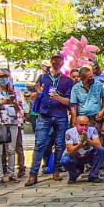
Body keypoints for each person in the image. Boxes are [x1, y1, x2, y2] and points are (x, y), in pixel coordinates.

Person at [27, 54, 74, 186]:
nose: (55, 61)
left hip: (60, 115)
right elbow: (33, 96)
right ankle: (33, 174)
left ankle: (57, 170)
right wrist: (39, 93)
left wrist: (58, 98)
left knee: (60, 144)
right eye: (53, 59)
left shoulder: (67, 80)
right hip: (44, 114)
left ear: (62, 62)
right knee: (40, 144)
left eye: (58, 59)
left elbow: (70, 101)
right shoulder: (42, 78)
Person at [0, 68, 24, 185]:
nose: (4, 79)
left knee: (11, 149)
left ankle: (12, 173)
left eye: (6, 76)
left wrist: (15, 103)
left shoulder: (15, 91)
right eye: (1, 77)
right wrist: (1, 103)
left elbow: (22, 108)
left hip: (13, 121)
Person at [61, 115, 104, 183]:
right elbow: (70, 151)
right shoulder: (69, 132)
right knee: (65, 160)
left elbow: (98, 145)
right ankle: (74, 175)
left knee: (101, 150)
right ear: (76, 124)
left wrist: (88, 140)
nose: (84, 127)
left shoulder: (92, 130)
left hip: (88, 155)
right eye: (81, 125)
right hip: (75, 156)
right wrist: (80, 144)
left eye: (86, 125)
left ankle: (93, 175)